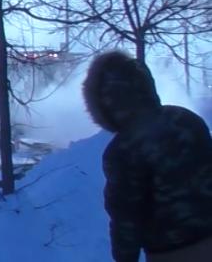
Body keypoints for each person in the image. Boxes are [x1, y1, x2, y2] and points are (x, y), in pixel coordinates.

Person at [82, 50, 212, 262]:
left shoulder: (123, 151)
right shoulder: (187, 120)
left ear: (107, 104)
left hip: (173, 252)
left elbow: (126, 220)